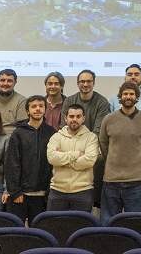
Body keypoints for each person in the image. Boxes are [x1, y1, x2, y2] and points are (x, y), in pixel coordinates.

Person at [99, 82, 141, 222]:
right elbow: (104, 144)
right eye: (125, 94)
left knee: (134, 223)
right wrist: (112, 162)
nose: (128, 96)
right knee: (108, 223)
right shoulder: (109, 119)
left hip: (135, 181)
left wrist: (137, 165)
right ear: (120, 97)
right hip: (111, 181)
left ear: (137, 97)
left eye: (131, 94)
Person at [108, 64, 141, 204]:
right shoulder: (114, 98)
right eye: (130, 74)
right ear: (125, 77)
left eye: (136, 74)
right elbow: (107, 128)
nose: (133, 77)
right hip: (118, 147)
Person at [62, 70, 111, 207]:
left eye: (88, 81)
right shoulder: (69, 100)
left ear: (93, 83)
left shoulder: (101, 102)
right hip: (70, 142)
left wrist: (87, 147)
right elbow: (63, 126)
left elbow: (98, 129)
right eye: (82, 81)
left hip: (92, 144)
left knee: (99, 159)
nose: (85, 84)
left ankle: (95, 201)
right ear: (77, 84)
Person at [4, 95, 55, 224]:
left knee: (39, 230)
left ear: (45, 109)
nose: (37, 109)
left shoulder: (52, 133)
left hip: (43, 195)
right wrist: (15, 192)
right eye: (34, 106)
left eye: (41, 106)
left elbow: (54, 164)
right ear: (27, 111)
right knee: (16, 231)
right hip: (21, 194)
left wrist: (49, 191)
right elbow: (12, 163)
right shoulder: (18, 133)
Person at [46, 104, 99, 212]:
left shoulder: (91, 137)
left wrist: (63, 159)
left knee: (81, 227)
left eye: (78, 116)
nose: (74, 119)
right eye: (71, 116)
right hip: (57, 191)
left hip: (83, 191)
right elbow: (52, 158)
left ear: (83, 119)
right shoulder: (56, 137)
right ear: (65, 118)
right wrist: (76, 155)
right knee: (54, 227)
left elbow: (89, 161)